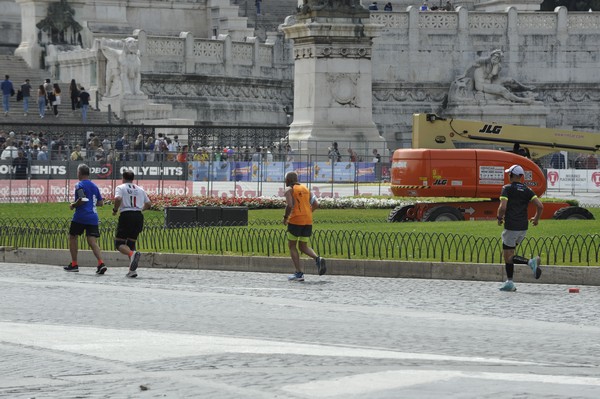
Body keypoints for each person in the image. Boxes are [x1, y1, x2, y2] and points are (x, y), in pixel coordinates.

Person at [497, 164, 543, 292]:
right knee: (510, 253)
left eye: (508, 173)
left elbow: (503, 207)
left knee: (508, 256)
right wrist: (536, 219)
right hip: (523, 227)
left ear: (511, 175)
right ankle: (510, 282)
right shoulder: (528, 190)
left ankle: (530, 263)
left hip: (511, 226)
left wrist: (499, 218)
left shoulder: (506, 188)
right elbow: (540, 206)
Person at [283, 171, 326, 281]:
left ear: (287, 180)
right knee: (303, 246)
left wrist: (285, 217)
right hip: (308, 221)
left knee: (292, 246)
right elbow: (316, 204)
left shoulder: (289, 189)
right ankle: (317, 258)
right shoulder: (306, 189)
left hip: (295, 220)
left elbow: (290, 205)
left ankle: (299, 273)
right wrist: (308, 213)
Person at [65, 164, 106, 274]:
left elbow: (82, 199)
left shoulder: (79, 184)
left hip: (81, 216)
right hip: (93, 217)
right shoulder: (94, 186)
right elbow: (101, 203)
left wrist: (73, 205)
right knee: (92, 241)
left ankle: (74, 264)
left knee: (72, 237)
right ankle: (101, 263)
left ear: (79, 173)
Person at [112, 170, 152, 278]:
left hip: (126, 215)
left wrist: (115, 210)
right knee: (131, 244)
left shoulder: (121, 187)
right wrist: (140, 210)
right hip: (138, 216)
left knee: (119, 243)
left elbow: (118, 198)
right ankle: (132, 271)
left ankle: (132, 254)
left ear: (123, 178)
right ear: (133, 178)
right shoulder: (140, 189)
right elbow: (148, 204)